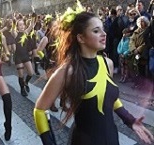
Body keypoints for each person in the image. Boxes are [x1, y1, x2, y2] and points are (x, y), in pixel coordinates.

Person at [33, 10, 154, 145]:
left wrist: (130, 120)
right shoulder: (67, 71)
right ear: (81, 38)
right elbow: (39, 110)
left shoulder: (107, 63)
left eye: (103, 29)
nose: (104, 34)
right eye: (96, 31)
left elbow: (108, 97)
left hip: (112, 139)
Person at [11, 7, 36, 97]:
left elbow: (32, 24)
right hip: (18, 57)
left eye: (22, 25)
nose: (21, 26)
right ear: (17, 27)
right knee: (20, 75)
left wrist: (33, 13)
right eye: (19, 25)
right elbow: (12, 30)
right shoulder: (16, 34)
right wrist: (14, 22)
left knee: (31, 73)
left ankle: (26, 82)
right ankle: (22, 89)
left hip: (25, 56)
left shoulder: (26, 32)